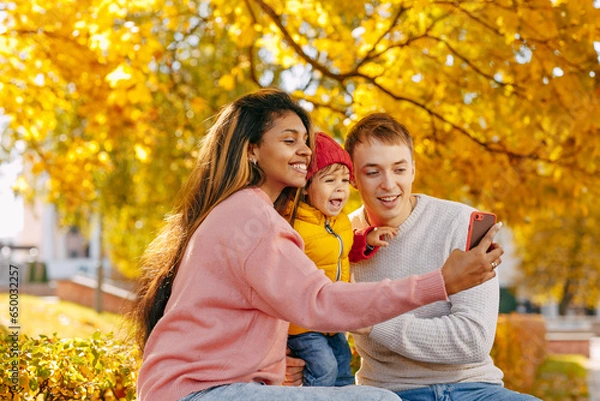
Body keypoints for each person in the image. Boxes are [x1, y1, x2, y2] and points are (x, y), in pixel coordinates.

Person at [130, 89, 503, 401]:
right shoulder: (251, 218)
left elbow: (247, 312)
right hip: (199, 393)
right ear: (251, 150)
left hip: (204, 388)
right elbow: (321, 302)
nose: (306, 151)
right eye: (289, 140)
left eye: (306, 141)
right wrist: (441, 283)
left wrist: (279, 360)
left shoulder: (249, 213)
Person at [342, 113, 540, 400]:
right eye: (373, 172)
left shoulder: (458, 222)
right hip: (390, 393)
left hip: (475, 389)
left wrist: (372, 323)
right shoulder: (343, 237)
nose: (388, 184)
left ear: (413, 170)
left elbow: (472, 340)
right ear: (353, 179)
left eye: (399, 169)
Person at [286, 132, 398, 387]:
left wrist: (367, 240)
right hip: (303, 323)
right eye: (329, 180)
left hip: (334, 318)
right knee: (323, 368)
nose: (340, 187)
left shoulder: (341, 222)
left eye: (345, 180)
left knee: (343, 366)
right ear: (305, 188)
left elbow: (343, 247)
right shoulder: (294, 225)